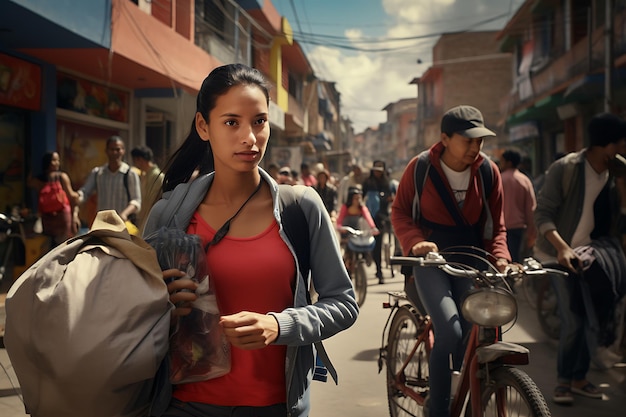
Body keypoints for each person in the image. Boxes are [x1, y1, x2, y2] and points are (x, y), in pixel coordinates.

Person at [142, 63, 358, 417]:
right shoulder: (169, 215)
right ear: (203, 126)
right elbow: (135, 313)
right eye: (232, 122)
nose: (250, 137)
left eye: (259, 121)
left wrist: (280, 325)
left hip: (275, 406)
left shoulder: (300, 208)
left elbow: (343, 304)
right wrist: (161, 301)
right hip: (183, 405)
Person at [392, 105, 511, 417]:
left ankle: (465, 393)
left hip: (471, 258)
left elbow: (496, 225)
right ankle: (440, 409)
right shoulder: (420, 168)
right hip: (430, 261)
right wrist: (416, 242)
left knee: (480, 327)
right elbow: (400, 212)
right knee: (450, 330)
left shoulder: (488, 171)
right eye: (468, 141)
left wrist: (501, 257)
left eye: (480, 141)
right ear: (444, 138)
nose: (475, 148)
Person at [533, 112, 626, 405]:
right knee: (573, 319)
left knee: (591, 318)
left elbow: (618, 216)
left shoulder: (615, 171)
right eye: (622, 142)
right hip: (557, 253)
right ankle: (562, 381)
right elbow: (543, 213)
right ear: (608, 144)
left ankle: (579, 377)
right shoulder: (567, 168)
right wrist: (561, 248)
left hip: (592, 254)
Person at [78, 135, 141, 225]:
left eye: (118, 149)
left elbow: (136, 201)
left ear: (123, 151)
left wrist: (124, 214)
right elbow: (85, 192)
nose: (115, 152)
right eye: (112, 149)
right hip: (102, 224)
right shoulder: (98, 173)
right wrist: (77, 197)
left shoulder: (130, 174)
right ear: (106, 151)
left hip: (122, 225)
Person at [28, 151, 80, 246]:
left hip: (47, 218)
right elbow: (72, 196)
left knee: (50, 247)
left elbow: (29, 183)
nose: (57, 163)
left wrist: (31, 165)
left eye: (58, 160)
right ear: (48, 162)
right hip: (62, 218)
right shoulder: (62, 177)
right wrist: (78, 196)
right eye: (54, 160)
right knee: (64, 246)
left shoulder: (38, 180)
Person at [500, 149, 537, 263]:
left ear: (508, 162)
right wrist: (532, 230)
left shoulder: (500, 179)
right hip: (520, 229)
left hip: (502, 229)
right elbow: (531, 208)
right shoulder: (525, 180)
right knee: (518, 262)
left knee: (504, 261)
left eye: (502, 161)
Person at [361, 160, 393, 283]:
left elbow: (390, 198)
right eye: (375, 170)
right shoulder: (367, 183)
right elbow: (361, 198)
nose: (377, 173)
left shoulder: (386, 183)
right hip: (368, 218)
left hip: (381, 218)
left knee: (378, 245)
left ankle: (379, 271)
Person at [131, 145, 164, 231]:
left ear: (140, 159)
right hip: (143, 219)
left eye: (135, 161)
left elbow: (154, 201)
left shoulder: (158, 176)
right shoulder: (144, 175)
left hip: (151, 220)